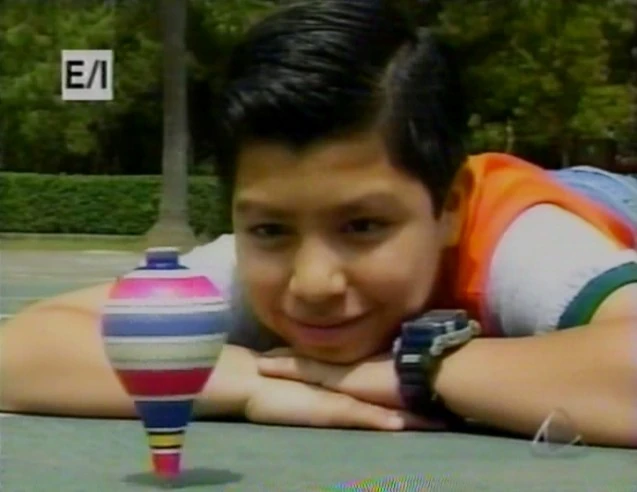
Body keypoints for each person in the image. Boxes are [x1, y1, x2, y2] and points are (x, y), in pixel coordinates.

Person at [2, 0, 636, 447]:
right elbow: (21, 351)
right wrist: (250, 384)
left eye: (362, 227)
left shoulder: (521, 243)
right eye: (270, 230)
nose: (312, 283)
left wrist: (421, 371)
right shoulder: (249, 265)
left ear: (448, 207)